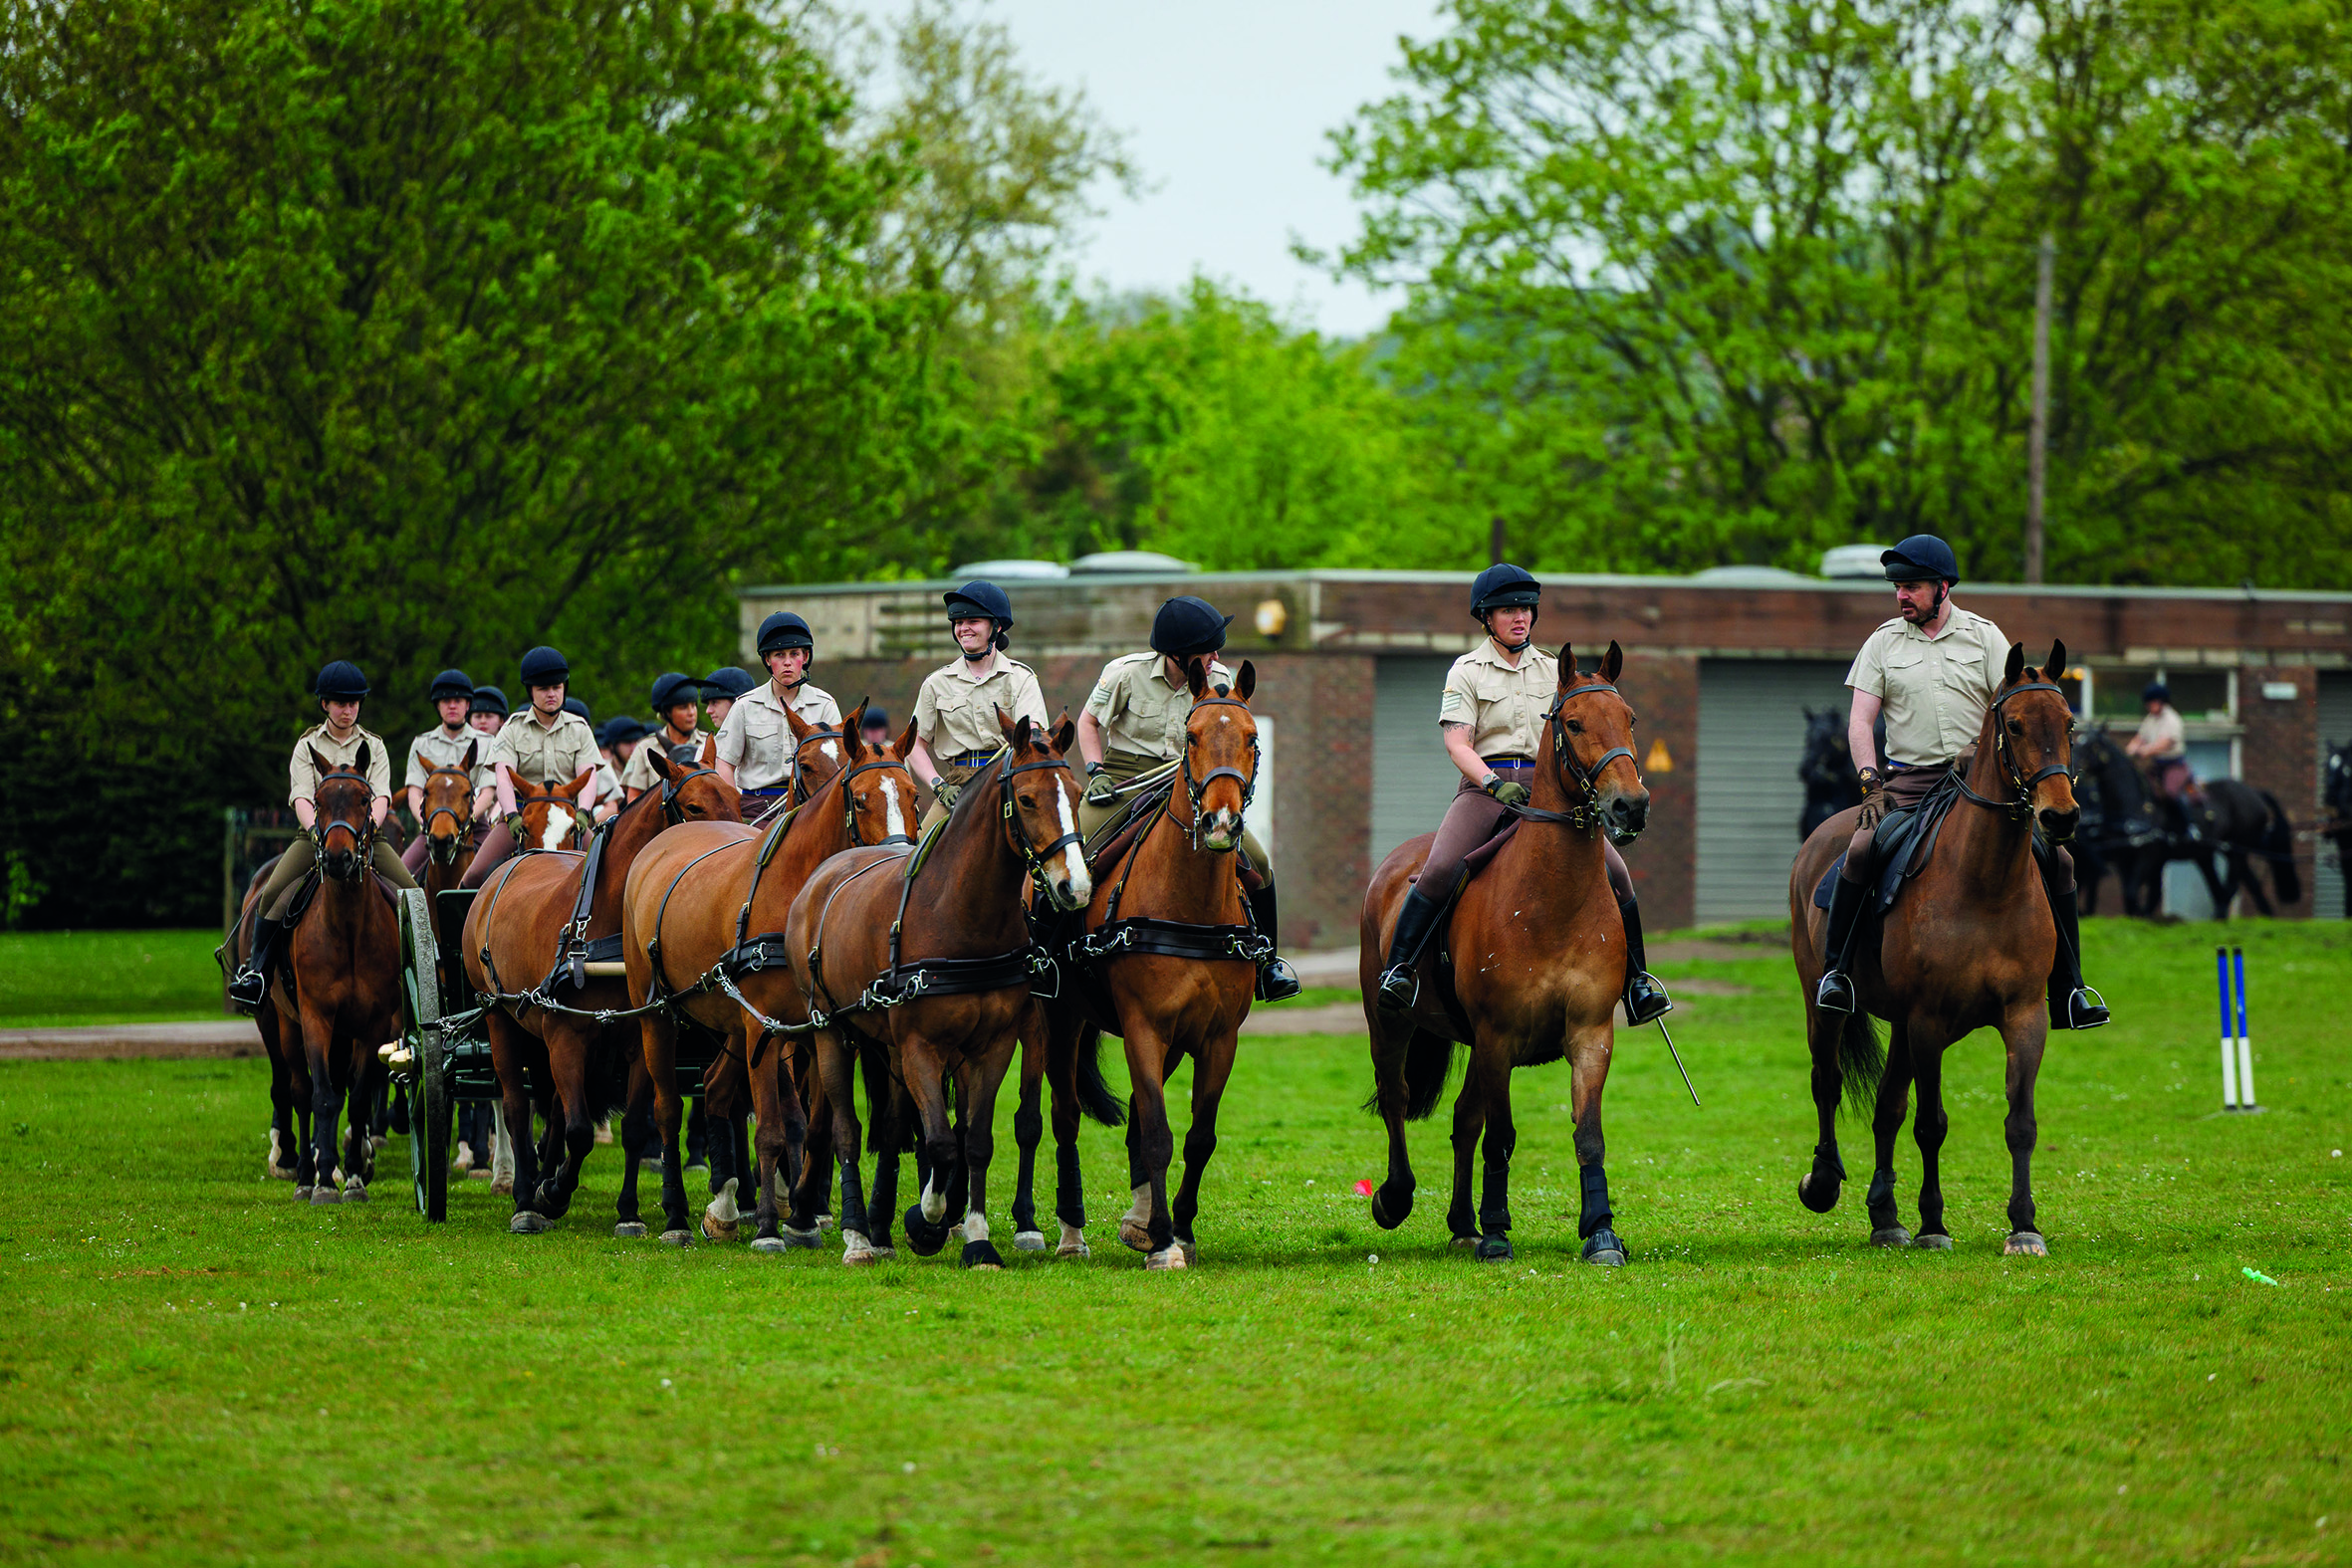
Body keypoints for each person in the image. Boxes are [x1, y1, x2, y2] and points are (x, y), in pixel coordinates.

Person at [1815, 535, 2107, 1028]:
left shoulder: (1985, 636)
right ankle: (1837, 974)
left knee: (2058, 860)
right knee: (1863, 850)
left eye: (1911, 587)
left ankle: (2071, 988)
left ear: (1942, 587)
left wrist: (1981, 753)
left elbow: (2011, 703)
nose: (1901, 596)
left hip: (1980, 782)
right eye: (1897, 588)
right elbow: (1860, 722)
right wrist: (1871, 784)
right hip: (1907, 783)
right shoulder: (1882, 643)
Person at [1373, 566, 1672, 1023]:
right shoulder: (1466, 671)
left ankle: (1638, 983)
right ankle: (1400, 969)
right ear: (1485, 618)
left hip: (1552, 791)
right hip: (1486, 787)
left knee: (1619, 875)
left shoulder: (1557, 670)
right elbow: (1457, 743)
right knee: (1438, 869)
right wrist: (1492, 784)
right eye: (1508, 610)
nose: (1520, 618)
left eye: (1526, 609)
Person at [1075, 594, 1299, 1001]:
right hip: (1125, 779)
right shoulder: (1125, 673)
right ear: (1178, 655)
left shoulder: (1220, 680)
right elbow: (1089, 722)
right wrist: (1096, 771)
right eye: (1207, 648)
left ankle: (1267, 962)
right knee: (1077, 857)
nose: (1216, 654)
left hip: (1186, 782)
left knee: (1261, 864)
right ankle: (1056, 956)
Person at [226, 661, 421, 1008]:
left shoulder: (374, 746)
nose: (347, 710)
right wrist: (316, 832)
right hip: (316, 838)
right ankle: (257, 973)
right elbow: (301, 796)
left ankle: (427, 975)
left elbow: (382, 797)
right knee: (271, 893)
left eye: (353, 703)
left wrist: (370, 829)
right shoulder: (307, 746)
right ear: (324, 705)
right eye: (339, 703)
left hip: (366, 838)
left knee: (414, 895)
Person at [907, 580, 1049, 834]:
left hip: (1009, 778)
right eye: (958, 623)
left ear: (996, 626)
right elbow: (915, 746)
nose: (963, 629)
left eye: (973, 621)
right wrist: (939, 786)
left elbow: (1032, 736)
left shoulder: (1021, 678)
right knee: (917, 855)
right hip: (957, 785)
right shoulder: (936, 683)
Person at [458, 646, 600, 889]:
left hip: (567, 819)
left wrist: (583, 813)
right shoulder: (513, 729)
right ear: (530, 691)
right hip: (523, 816)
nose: (552, 694)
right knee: (473, 876)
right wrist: (512, 816)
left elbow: (589, 777)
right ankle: (461, 928)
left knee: (608, 870)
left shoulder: (580, 728)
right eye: (543, 689)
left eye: (557, 687)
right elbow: (503, 777)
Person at [714, 611, 843, 816]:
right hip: (755, 810)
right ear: (767, 660)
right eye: (779, 655)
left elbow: (840, 765)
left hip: (811, 808)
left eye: (794, 654)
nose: (787, 662)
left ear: (806, 657)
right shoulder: (744, 706)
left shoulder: (825, 705)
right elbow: (724, 763)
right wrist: (733, 812)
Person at [398, 668, 492, 875]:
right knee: (403, 875)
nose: (452, 705)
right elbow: (414, 792)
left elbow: (488, 792)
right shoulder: (421, 744)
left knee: (501, 873)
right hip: (434, 826)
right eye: (445, 700)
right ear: (437, 706)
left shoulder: (486, 743)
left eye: (458, 701)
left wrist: (463, 821)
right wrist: (428, 821)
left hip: (475, 827)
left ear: (468, 705)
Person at [2125, 680, 2198, 834]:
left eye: (2151, 702)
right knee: (2140, 788)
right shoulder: (2150, 719)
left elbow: (2165, 743)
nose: (2149, 706)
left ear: (2160, 701)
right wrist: (2130, 749)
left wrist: (2145, 751)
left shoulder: (2172, 719)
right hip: (2157, 766)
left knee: (2170, 793)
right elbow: (2140, 737)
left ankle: (2190, 826)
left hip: (2174, 765)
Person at [622, 672, 704, 800]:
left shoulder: (708, 744)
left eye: (694, 705)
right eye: (683, 707)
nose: (691, 712)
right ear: (666, 713)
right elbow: (634, 798)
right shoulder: (645, 748)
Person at [701, 665, 755, 735]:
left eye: (714, 702)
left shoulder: (766, 740)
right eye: (708, 704)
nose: (708, 711)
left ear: (736, 702)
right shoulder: (715, 743)